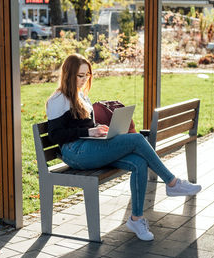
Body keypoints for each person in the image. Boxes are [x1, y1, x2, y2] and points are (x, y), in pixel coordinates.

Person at [46, 54, 202, 241]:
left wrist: (98, 131)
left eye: (87, 75)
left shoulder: (81, 97)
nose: (85, 79)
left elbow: (82, 127)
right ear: (68, 75)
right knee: (136, 140)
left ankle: (137, 218)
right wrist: (89, 133)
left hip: (90, 147)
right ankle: (172, 183)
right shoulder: (58, 99)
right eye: (80, 75)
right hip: (75, 153)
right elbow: (55, 135)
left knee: (138, 161)